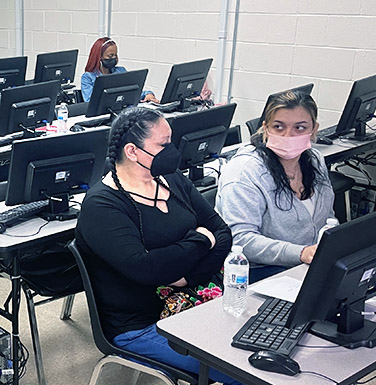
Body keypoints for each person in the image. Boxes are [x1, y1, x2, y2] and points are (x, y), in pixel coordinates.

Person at [74, 107, 241, 385]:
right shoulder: (102, 205)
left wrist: (187, 276)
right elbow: (147, 269)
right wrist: (200, 240)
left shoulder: (172, 179)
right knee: (241, 370)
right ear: (132, 151)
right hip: (141, 324)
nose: (172, 150)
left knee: (262, 349)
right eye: (163, 145)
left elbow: (222, 232)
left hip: (198, 297)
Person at [216, 90, 335, 283]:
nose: (289, 135)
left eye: (300, 128)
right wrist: (301, 253)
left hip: (306, 266)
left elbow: (327, 218)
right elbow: (241, 240)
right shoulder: (245, 171)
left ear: (314, 130)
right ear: (265, 128)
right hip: (258, 272)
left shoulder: (314, 160)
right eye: (278, 127)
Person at [80, 37, 157, 103]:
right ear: (99, 57)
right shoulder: (88, 77)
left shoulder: (121, 71)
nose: (114, 58)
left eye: (115, 54)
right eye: (110, 56)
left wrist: (148, 94)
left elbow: (133, 91)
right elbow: (89, 102)